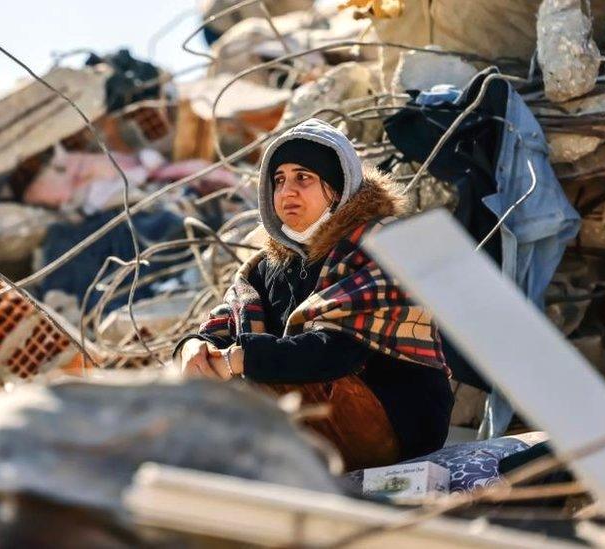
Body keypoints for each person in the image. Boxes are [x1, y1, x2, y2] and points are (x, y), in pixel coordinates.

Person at [175, 119, 454, 470]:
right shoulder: (265, 268)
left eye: (303, 178)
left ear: (336, 189)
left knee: (259, 384)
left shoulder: (382, 247)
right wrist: (193, 348)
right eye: (279, 180)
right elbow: (222, 327)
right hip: (314, 417)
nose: (287, 191)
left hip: (395, 424)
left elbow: (335, 355)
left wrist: (238, 360)